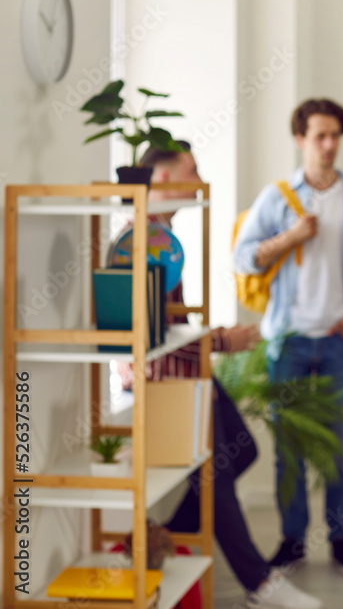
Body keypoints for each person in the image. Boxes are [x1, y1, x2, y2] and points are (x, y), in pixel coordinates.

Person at [119, 143, 322, 609]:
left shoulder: (161, 235)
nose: (200, 178)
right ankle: (260, 585)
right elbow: (149, 332)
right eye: (192, 171)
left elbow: (166, 322)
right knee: (215, 477)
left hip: (191, 375)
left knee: (241, 450)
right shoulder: (145, 240)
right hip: (169, 384)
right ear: (165, 180)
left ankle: (162, 539)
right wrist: (221, 341)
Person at [232, 99, 343, 575]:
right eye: (320, 135)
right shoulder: (277, 198)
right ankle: (292, 539)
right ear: (300, 139)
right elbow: (243, 258)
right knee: (289, 450)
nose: (329, 144)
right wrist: (289, 238)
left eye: (336, 134)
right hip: (290, 342)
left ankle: (341, 539)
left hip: (341, 341)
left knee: (340, 450)